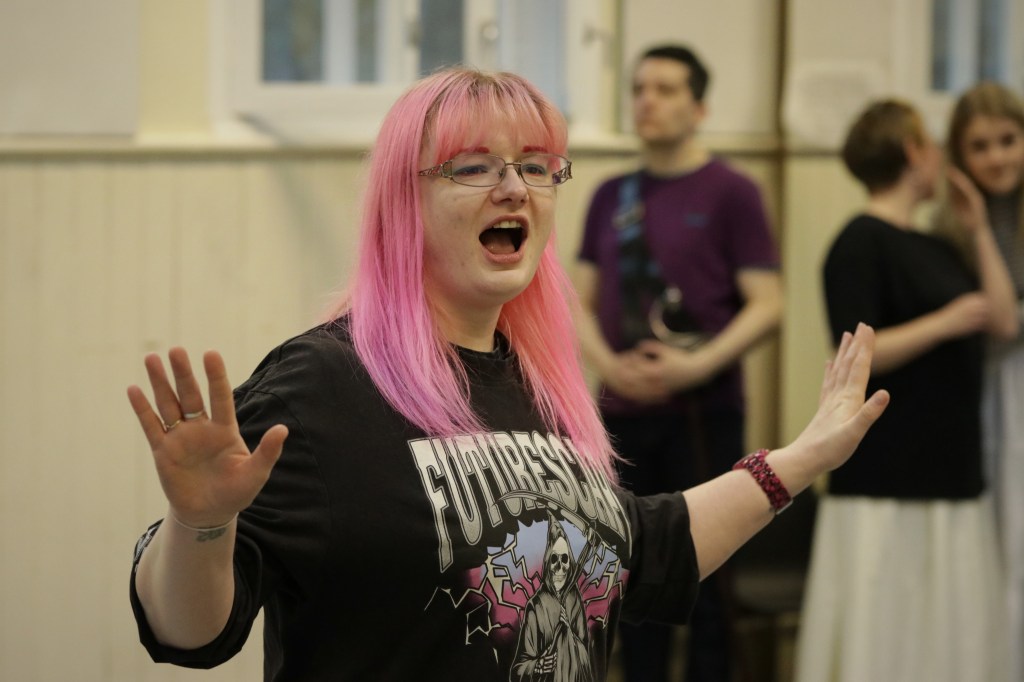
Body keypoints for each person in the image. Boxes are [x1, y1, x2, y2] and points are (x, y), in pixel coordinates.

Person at [127, 67, 887, 682]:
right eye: (473, 167)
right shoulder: (318, 384)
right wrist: (201, 524)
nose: (515, 188)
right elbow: (190, 634)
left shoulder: (541, 388)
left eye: (535, 166)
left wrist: (804, 457)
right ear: (403, 201)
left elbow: (647, 548)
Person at [573, 44, 782, 682]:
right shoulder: (610, 195)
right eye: (640, 88)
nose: (648, 101)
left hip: (704, 411)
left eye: (665, 89)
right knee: (631, 574)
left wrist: (698, 366)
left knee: (709, 577)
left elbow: (768, 304)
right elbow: (574, 301)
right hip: (622, 415)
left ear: (699, 108)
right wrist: (609, 366)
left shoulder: (733, 193)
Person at [794, 99, 1019, 682]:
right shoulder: (859, 240)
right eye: (932, 143)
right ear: (915, 152)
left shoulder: (938, 243)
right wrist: (945, 322)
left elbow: (1002, 319)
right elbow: (856, 353)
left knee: (946, 628)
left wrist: (977, 228)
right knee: (885, 628)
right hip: (888, 473)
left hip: (950, 464)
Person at [938, 81, 1024, 682]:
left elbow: (1005, 322)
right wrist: (977, 229)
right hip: (987, 396)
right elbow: (998, 326)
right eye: (980, 146)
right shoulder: (949, 225)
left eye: (1008, 141)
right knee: (1000, 537)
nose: (996, 158)